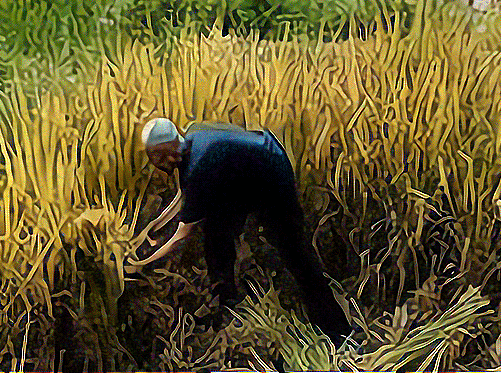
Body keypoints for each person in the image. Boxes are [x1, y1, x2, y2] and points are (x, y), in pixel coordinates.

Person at [127, 117, 352, 346]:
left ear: (172, 149)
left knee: (294, 252)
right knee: (216, 232)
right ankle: (227, 302)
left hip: (272, 175)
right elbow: (185, 200)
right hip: (242, 176)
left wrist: (142, 263)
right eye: (153, 156)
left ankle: (339, 332)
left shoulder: (197, 167)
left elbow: (182, 234)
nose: (157, 162)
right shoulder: (192, 138)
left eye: (159, 156)